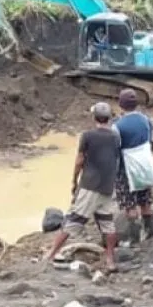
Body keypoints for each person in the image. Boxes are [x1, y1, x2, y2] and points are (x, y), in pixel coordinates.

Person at [44, 102, 122, 271]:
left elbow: (80, 159)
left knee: (73, 220)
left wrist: (74, 180)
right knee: (108, 223)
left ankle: (50, 255)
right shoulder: (115, 137)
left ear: (94, 117)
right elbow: (115, 160)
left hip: (90, 185)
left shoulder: (87, 135)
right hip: (108, 186)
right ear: (109, 118)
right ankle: (109, 260)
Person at [113, 89, 153, 244]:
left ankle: (134, 239)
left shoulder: (117, 126)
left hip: (126, 170)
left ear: (120, 104)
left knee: (129, 205)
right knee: (145, 201)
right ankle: (150, 234)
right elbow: (151, 143)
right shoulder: (146, 120)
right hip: (144, 166)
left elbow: (116, 151)